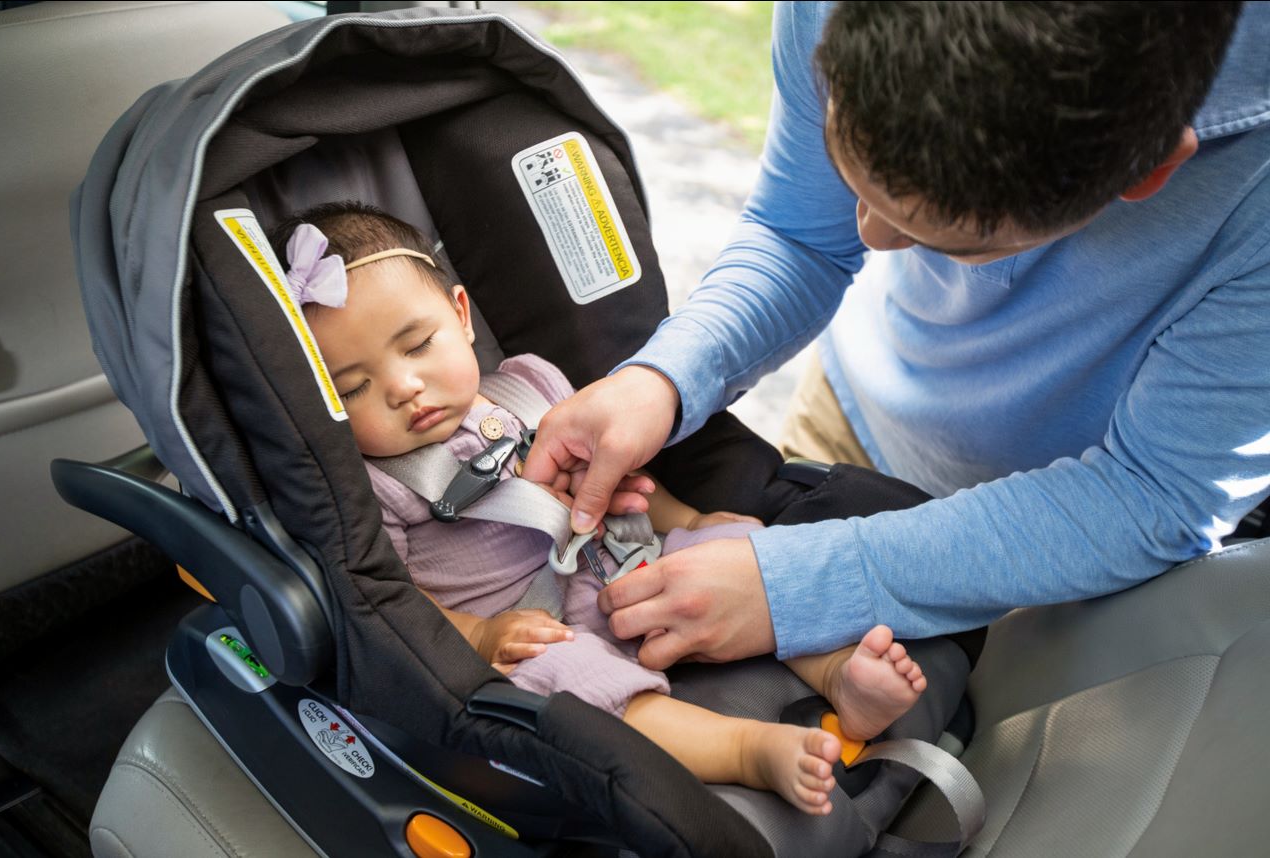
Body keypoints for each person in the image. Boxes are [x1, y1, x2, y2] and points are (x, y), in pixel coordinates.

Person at [521, 1, 1270, 671]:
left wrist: (802, 584)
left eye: (948, 244)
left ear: (1151, 170)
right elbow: (802, 237)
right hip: (850, 424)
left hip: (1060, 561)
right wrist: (665, 376)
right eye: (859, 185)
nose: (871, 241)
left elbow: (1154, 492)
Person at [270, 202, 929, 815]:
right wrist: (477, 638)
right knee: (571, 687)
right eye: (353, 386)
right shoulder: (374, 486)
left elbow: (620, 476)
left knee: (730, 561)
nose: (404, 386)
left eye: (418, 345)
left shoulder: (530, 386)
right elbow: (398, 601)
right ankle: (745, 751)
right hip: (527, 629)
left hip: (625, 564)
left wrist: (689, 524)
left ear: (462, 314)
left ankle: (839, 673)